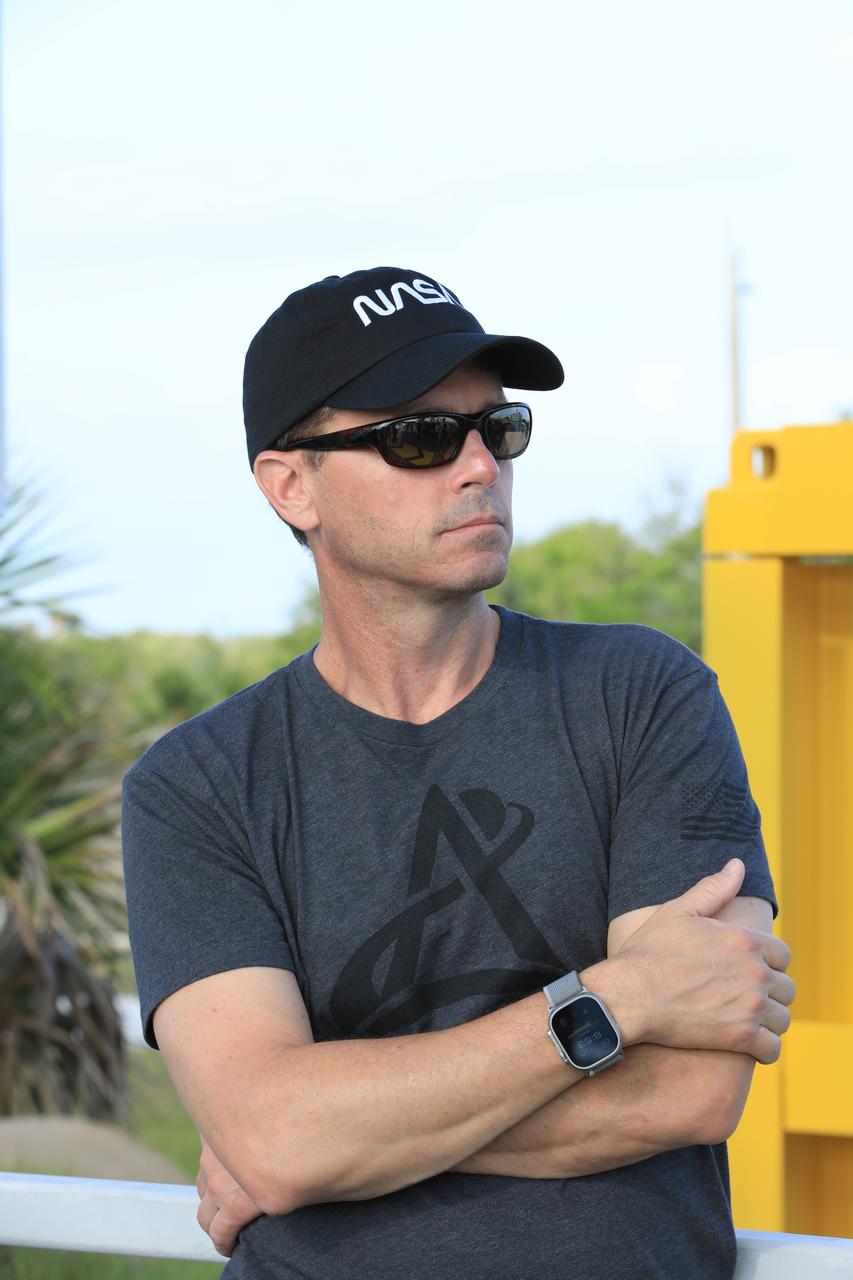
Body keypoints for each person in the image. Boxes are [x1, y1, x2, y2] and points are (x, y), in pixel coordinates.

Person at [121, 265, 795, 1280]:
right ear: (289, 485)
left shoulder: (641, 694)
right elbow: (274, 1131)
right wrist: (608, 1004)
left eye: (499, 427)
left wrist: (327, 1145)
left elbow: (690, 1092)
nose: (479, 464)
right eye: (420, 438)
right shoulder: (199, 785)